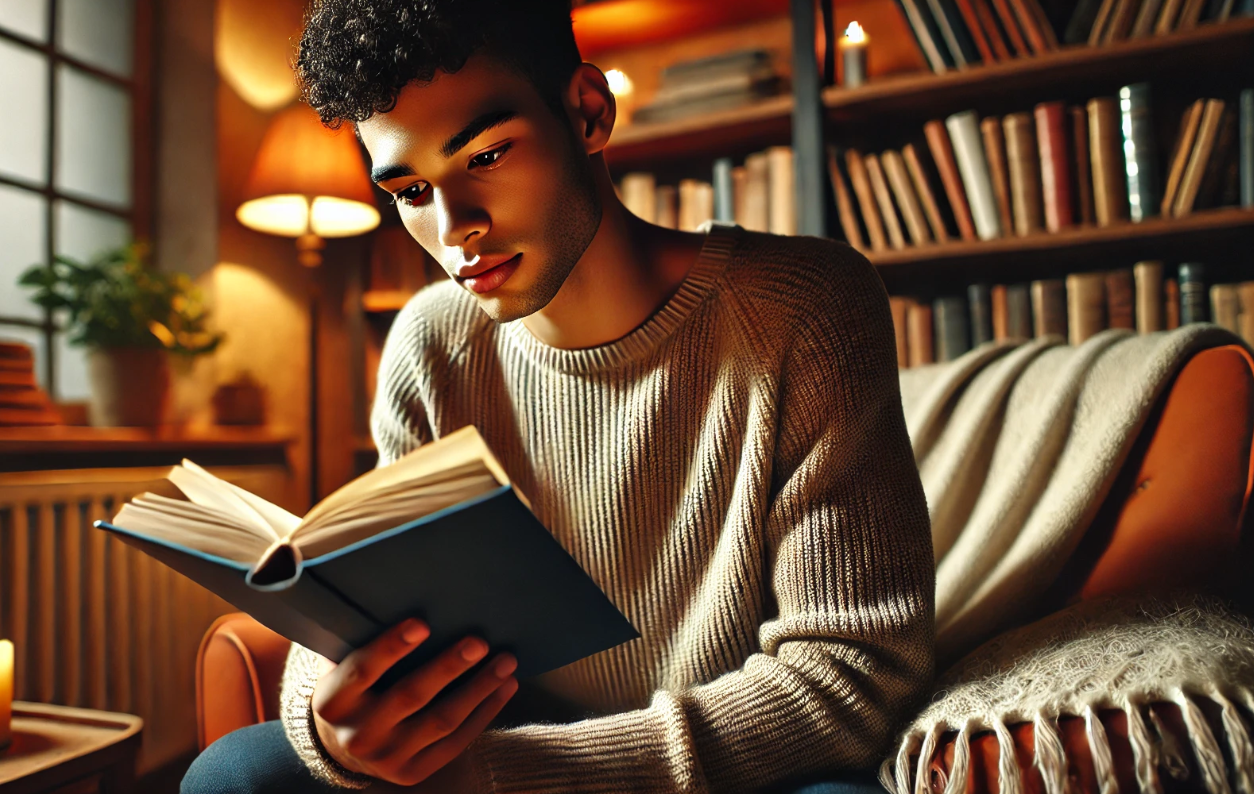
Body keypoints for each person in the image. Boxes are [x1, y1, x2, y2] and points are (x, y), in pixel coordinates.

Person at [182, 0, 935, 791]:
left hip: (725, 757)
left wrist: (514, 778)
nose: (454, 229)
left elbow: (854, 672)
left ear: (586, 112)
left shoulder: (806, 308)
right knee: (236, 773)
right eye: (409, 192)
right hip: (507, 728)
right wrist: (326, 728)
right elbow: (372, 598)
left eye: (485, 156)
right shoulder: (431, 342)